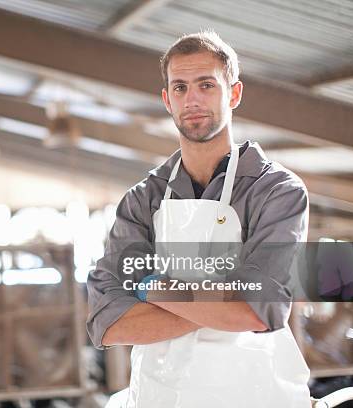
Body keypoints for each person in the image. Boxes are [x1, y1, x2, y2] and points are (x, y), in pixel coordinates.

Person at [86, 30, 311, 407]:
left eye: (206, 85)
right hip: (160, 398)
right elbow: (106, 322)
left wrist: (151, 286)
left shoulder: (277, 191)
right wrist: (223, 307)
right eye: (180, 88)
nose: (191, 99)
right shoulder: (143, 200)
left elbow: (261, 310)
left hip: (255, 396)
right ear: (166, 100)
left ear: (234, 94)